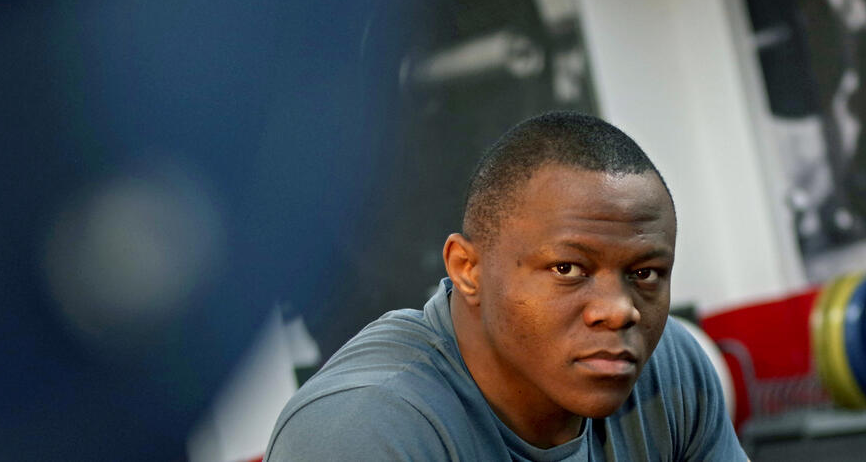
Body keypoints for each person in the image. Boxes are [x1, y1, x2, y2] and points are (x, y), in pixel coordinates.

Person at [267, 112, 746, 461]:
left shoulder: (671, 370)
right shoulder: (361, 430)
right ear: (467, 269)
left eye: (644, 274)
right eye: (567, 269)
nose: (620, 311)